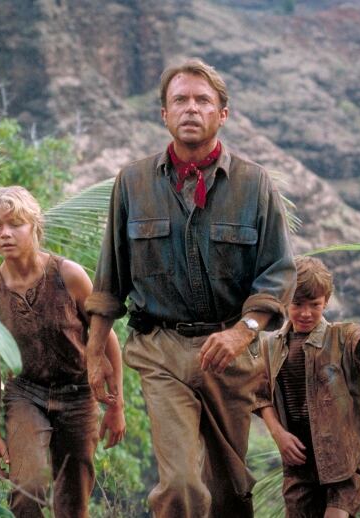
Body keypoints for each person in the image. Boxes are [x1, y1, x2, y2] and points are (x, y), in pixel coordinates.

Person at [84, 57, 296, 517]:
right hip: (161, 350)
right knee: (180, 486)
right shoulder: (133, 183)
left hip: (231, 355)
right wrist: (96, 349)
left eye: (203, 100)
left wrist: (242, 332)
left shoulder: (255, 185)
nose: (191, 108)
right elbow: (110, 278)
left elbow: (278, 273)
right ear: (163, 113)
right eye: (179, 100)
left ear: (223, 113)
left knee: (229, 493)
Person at [0, 186, 126, 518]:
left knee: (73, 502)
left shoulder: (68, 275)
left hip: (78, 393)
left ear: (34, 226)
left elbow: (106, 341)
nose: (5, 234)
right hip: (26, 393)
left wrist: (117, 406)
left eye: (15, 224)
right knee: (28, 490)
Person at [255, 255, 360, 518]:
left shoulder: (338, 337)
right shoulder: (270, 345)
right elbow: (260, 397)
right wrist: (278, 434)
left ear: (326, 302)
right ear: (284, 301)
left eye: (315, 305)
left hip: (346, 460)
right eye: (297, 304)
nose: (306, 313)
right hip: (300, 463)